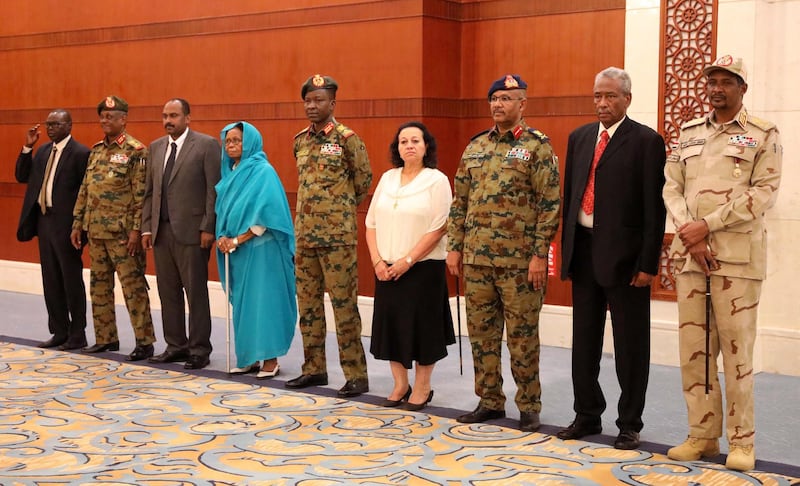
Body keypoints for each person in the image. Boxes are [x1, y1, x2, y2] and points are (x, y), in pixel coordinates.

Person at [663, 55, 782, 472]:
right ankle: (702, 435)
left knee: (737, 355)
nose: (716, 87)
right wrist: (688, 230)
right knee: (694, 354)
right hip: (693, 259)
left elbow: (764, 192)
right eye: (711, 80)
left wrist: (706, 225)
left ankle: (743, 442)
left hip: (737, 260)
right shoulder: (690, 133)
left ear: (742, 88)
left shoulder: (762, 134)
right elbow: (671, 187)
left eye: (726, 81)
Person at [558, 67, 667, 450]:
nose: (602, 103)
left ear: (627, 99)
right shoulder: (579, 138)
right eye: (597, 96)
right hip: (584, 252)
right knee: (584, 342)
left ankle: (629, 423)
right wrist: (567, 252)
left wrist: (648, 264)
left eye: (610, 96)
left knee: (630, 346)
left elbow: (655, 210)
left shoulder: (647, 141)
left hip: (626, 261)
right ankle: (586, 414)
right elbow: (571, 197)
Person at [446, 74, 561, 432]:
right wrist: (454, 246)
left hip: (519, 263)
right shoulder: (475, 146)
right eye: (494, 98)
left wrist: (539, 254)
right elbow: (459, 200)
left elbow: (550, 203)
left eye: (506, 98)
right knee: (482, 334)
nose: (498, 105)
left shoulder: (537, 146)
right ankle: (490, 400)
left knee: (522, 336)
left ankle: (529, 404)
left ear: (522, 104)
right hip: (477, 259)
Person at [286, 74, 372, 398]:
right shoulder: (300, 140)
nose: (312, 105)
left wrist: (339, 211)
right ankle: (314, 368)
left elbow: (363, 181)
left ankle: (356, 375)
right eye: (308, 100)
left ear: (332, 104)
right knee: (308, 307)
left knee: (344, 308)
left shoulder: (347, 139)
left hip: (337, 238)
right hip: (305, 237)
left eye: (319, 100)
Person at [366, 121, 455, 411]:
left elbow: (439, 227)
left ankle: (422, 386)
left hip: (422, 269)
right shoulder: (387, 178)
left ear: (426, 146)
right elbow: (370, 224)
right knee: (391, 328)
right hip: (386, 269)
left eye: (416, 140)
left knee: (423, 329)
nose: (410, 146)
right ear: (397, 148)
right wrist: (378, 261)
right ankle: (400, 383)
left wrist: (407, 261)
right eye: (404, 141)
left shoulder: (436, 180)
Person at [70, 95, 156, 361]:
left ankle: (144, 341)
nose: (105, 120)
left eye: (111, 116)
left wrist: (134, 231)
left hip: (121, 235)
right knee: (99, 287)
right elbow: (86, 189)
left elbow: (140, 195)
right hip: (95, 231)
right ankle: (106, 338)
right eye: (102, 116)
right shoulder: (95, 151)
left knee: (133, 288)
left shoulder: (136, 150)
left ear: (123, 119)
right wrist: (77, 223)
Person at [142, 99, 221, 370]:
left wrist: (208, 227)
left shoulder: (207, 145)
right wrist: (146, 227)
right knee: (168, 292)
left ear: (187, 118)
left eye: (174, 115)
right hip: (162, 232)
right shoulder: (155, 147)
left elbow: (214, 189)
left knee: (195, 292)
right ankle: (175, 345)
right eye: (165, 115)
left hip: (192, 233)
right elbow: (150, 191)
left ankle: (199, 349)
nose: (168, 120)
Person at [215, 121, 296, 379]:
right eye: (227, 141)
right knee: (243, 305)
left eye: (237, 140)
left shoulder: (263, 171)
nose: (231, 145)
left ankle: (271, 361)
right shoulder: (230, 173)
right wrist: (222, 238)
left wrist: (238, 239)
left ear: (250, 141)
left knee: (263, 303)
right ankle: (248, 358)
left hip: (262, 251)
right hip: (237, 252)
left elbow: (266, 215)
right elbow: (223, 213)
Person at [14, 109, 90, 350]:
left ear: (69, 125)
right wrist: (28, 148)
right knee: (51, 280)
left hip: (67, 226)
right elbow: (22, 176)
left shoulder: (81, 153)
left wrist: (79, 225)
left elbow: (85, 193)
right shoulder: (44, 151)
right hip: (44, 222)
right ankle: (59, 331)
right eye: (48, 124)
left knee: (70, 279)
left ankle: (77, 334)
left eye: (56, 124)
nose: (50, 128)